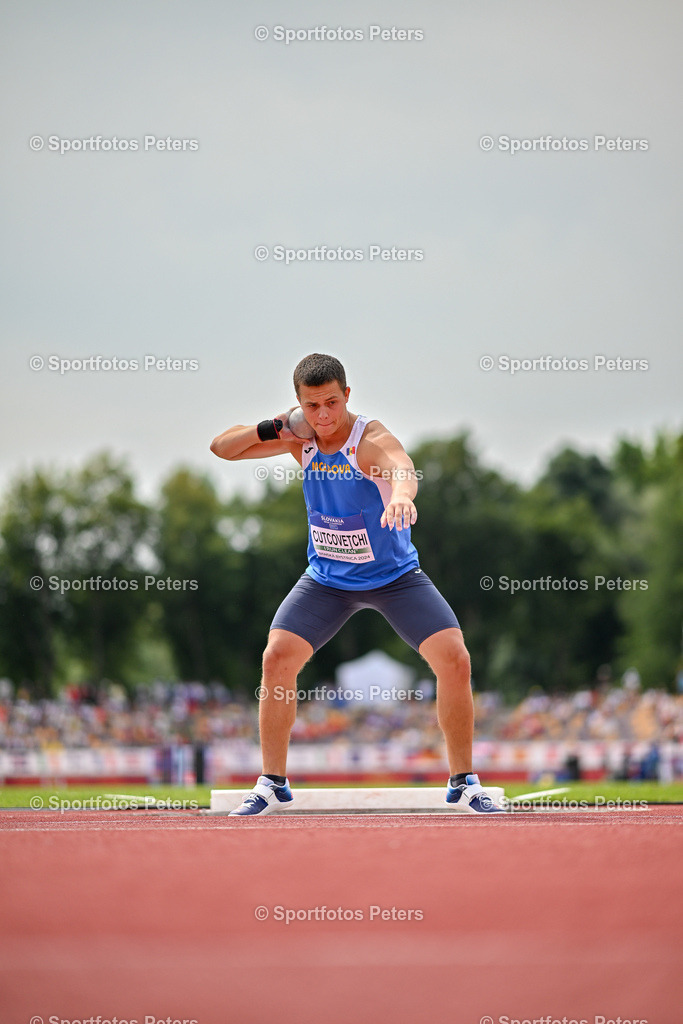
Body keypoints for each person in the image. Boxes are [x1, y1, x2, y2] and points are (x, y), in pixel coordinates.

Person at [210, 353, 500, 815]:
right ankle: (272, 783)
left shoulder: (368, 440)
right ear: (299, 405)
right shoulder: (298, 437)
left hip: (395, 578)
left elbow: (401, 466)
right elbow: (222, 448)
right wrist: (275, 426)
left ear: (347, 395)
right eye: (311, 406)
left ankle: (463, 781)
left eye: (331, 403)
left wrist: (402, 497)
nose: (323, 416)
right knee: (276, 658)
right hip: (327, 579)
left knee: (455, 658)